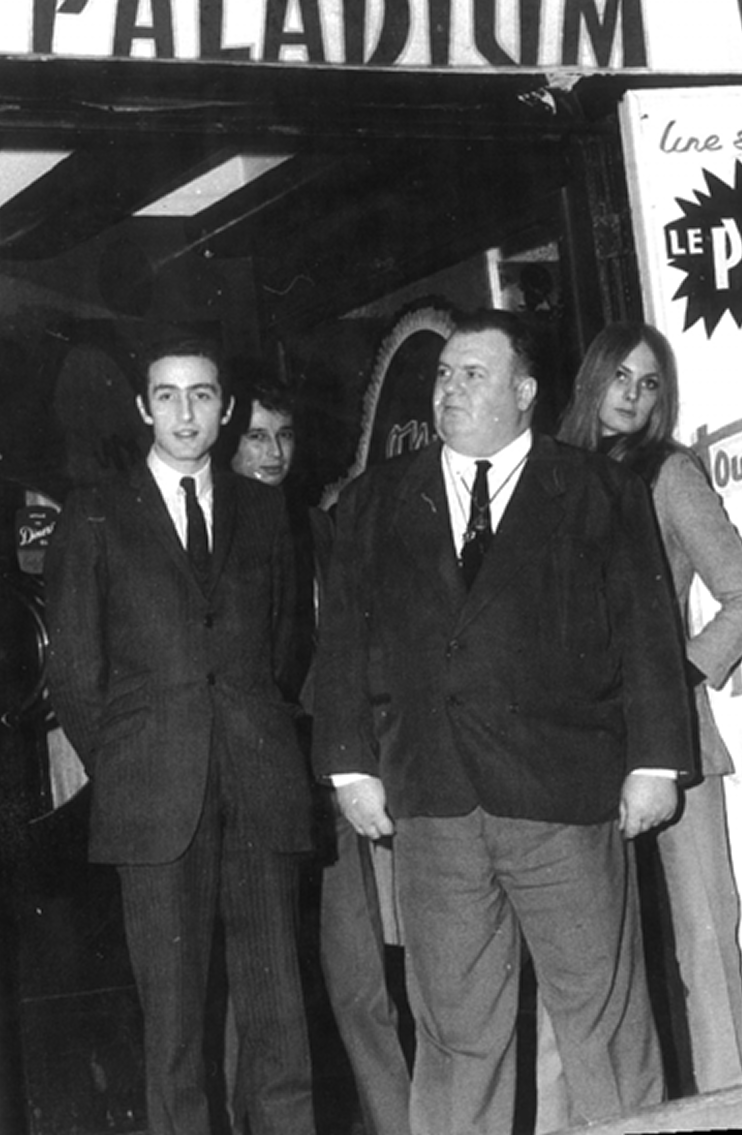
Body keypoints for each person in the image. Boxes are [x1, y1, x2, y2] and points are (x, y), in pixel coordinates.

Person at [312, 308, 696, 1135]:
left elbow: (646, 632)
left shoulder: (599, 490)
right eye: (443, 375)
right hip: (433, 802)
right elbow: (340, 643)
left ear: (524, 391)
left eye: (472, 375)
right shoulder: (375, 501)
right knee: (455, 1035)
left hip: (565, 798)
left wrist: (656, 763)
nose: (448, 390)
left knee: (604, 1024)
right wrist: (349, 766)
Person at [43, 335, 316, 1135]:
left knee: (280, 1023)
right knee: (174, 1034)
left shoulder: (265, 510)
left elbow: (284, 648)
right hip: (154, 801)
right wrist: (132, 765)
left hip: (259, 788)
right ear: (143, 407)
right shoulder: (96, 513)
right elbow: (75, 674)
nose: (185, 412)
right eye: (167, 395)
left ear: (226, 408)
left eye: (201, 394)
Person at [556, 322, 742, 1095]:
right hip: (577, 739)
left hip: (675, 738)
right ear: (592, 378)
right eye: (620, 376)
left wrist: (674, 676)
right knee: (577, 945)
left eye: (649, 383)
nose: (633, 395)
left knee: (706, 933)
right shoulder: (548, 475)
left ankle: (728, 1101)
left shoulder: (671, 474)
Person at [223, 376, 412, 1135]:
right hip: (249, 793)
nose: (273, 453)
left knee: (362, 984)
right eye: (256, 436)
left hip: (328, 782)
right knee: (252, 997)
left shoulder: (318, 531)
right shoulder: (208, 536)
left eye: (284, 436)